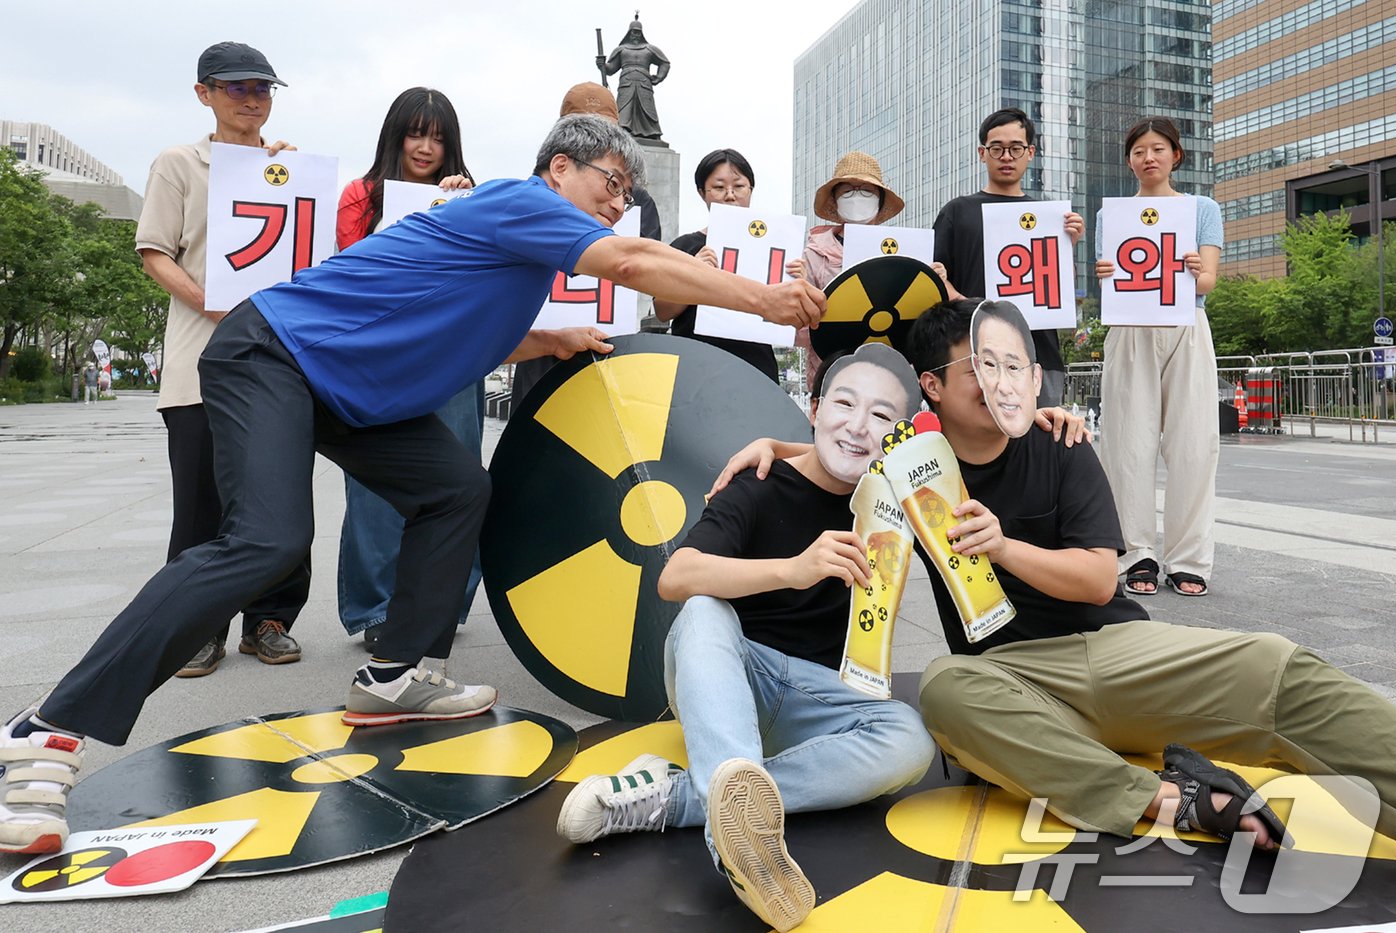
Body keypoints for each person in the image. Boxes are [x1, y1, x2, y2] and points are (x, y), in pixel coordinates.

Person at [0, 113, 825, 857]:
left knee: (456, 489)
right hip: (274, 356)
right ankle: (45, 730)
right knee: (265, 542)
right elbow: (638, 262)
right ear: (559, 171)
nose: (620, 201)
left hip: (347, 392)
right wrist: (762, 297)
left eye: (628, 190)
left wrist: (545, 341)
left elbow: (453, 319)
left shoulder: (519, 253)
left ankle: (395, 674)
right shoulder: (520, 202)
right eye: (613, 181)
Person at [720, 300, 1396, 859]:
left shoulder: (1062, 443)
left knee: (1278, 668)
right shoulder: (905, 464)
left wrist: (1005, 546)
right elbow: (837, 453)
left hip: (1116, 654)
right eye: (981, 366)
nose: (1004, 381)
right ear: (933, 386)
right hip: (1011, 681)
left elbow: (1099, 579)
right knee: (947, 690)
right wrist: (775, 446)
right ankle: (1175, 799)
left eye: (1014, 364)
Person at [557, 343, 935, 933]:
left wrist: (1039, 418)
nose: (859, 425)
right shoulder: (758, 481)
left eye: (882, 416)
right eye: (844, 403)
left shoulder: (891, 501)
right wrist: (792, 569)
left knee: (910, 739)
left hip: (816, 697)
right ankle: (741, 846)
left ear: (898, 435)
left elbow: (963, 455)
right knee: (705, 607)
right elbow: (676, 578)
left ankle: (682, 797)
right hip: (731, 678)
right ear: (814, 408)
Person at [133, 41, 307, 678]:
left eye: (262, 88)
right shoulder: (180, 162)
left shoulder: (287, 168)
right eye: (237, 88)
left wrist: (292, 176)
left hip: (276, 362)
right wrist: (211, 302)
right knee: (202, 503)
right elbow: (155, 253)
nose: (253, 99)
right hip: (200, 359)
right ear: (204, 93)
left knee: (278, 498)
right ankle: (196, 628)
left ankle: (270, 620)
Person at [335, 87, 480, 652]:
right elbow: (351, 272)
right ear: (395, 135)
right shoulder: (360, 196)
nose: (426, 147)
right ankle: (375, 607)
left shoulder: (467, 197)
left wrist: (461, 207)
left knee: (462, 478)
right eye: (416, 133)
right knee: (374, 490)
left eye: (439, 137)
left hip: (454, 355)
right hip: (381, 360)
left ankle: (446, 602)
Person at [1094, 117, 1221, 597]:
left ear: (1176, 156)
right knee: (1127, 444)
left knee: (1195, 443)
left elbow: (1207, 281)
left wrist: (1194, 268)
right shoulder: (1114, 216)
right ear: (1129, 160)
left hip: (1187, 323)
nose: (1148, 158)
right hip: (1130, 328)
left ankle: (1189, 558)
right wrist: (1104, 270)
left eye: (1158, 149)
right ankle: (1137, 554)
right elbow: (1111, 279)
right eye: (1139, 151)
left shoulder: (1201, 208)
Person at [508, 82, 662, 412]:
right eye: (582, 126)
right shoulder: (532, 194)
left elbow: (643, 266)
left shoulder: (638, 201)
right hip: (541, 349)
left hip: (609, 348)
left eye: (604, 128)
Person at [932, 107, 1085, 408]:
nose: (1006, 156)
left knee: (1039, 448)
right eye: (997, 148)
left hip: (1037, 354)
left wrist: (1070, 245)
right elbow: (933, 281)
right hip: (972, 352)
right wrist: (969, 305)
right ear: (982, 153)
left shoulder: (1051, 218)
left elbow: (1063, 296)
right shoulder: (957, 212)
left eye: (1015, 148)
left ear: (1030, 153)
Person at [653, 148, 805, 381]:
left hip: (755, 367)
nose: (730, 195)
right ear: (702, 193)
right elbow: (663, 312)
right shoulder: (686, 246)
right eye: (719, 187)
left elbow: (792, 318)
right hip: (695, 366)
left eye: (739, 186)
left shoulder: (775, 248)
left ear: (751, 190)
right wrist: (693, 274)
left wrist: (798, 283)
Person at [800, 152, 906, 388]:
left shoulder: (901, 251)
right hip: (830, 374)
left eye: (867, 191)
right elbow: (797, 332)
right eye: (847, 191)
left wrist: (935, 278)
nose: (857, 198)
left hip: (887, 375)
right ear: (835, 203)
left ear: (879, 204)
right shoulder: (814, 254)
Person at [970, 300, 1041, 438]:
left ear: (1036, 378)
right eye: (990, 364)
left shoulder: (1065, 447)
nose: (1003, 386)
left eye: (1013, 367)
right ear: (977, 369)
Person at [598, 14, 669, 140]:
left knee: (647, 109)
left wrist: (658, 77)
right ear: (629, 33)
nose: (635, 35)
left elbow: (665, 63)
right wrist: (602, 65)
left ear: (641, 34)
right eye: (633, 32)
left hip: (644, 83)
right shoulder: (621, 49)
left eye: (638, 32)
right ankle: (622, 133)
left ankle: (652, 134)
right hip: (626, 82)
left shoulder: (649, 49)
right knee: (624, 109)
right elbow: (610, 69)